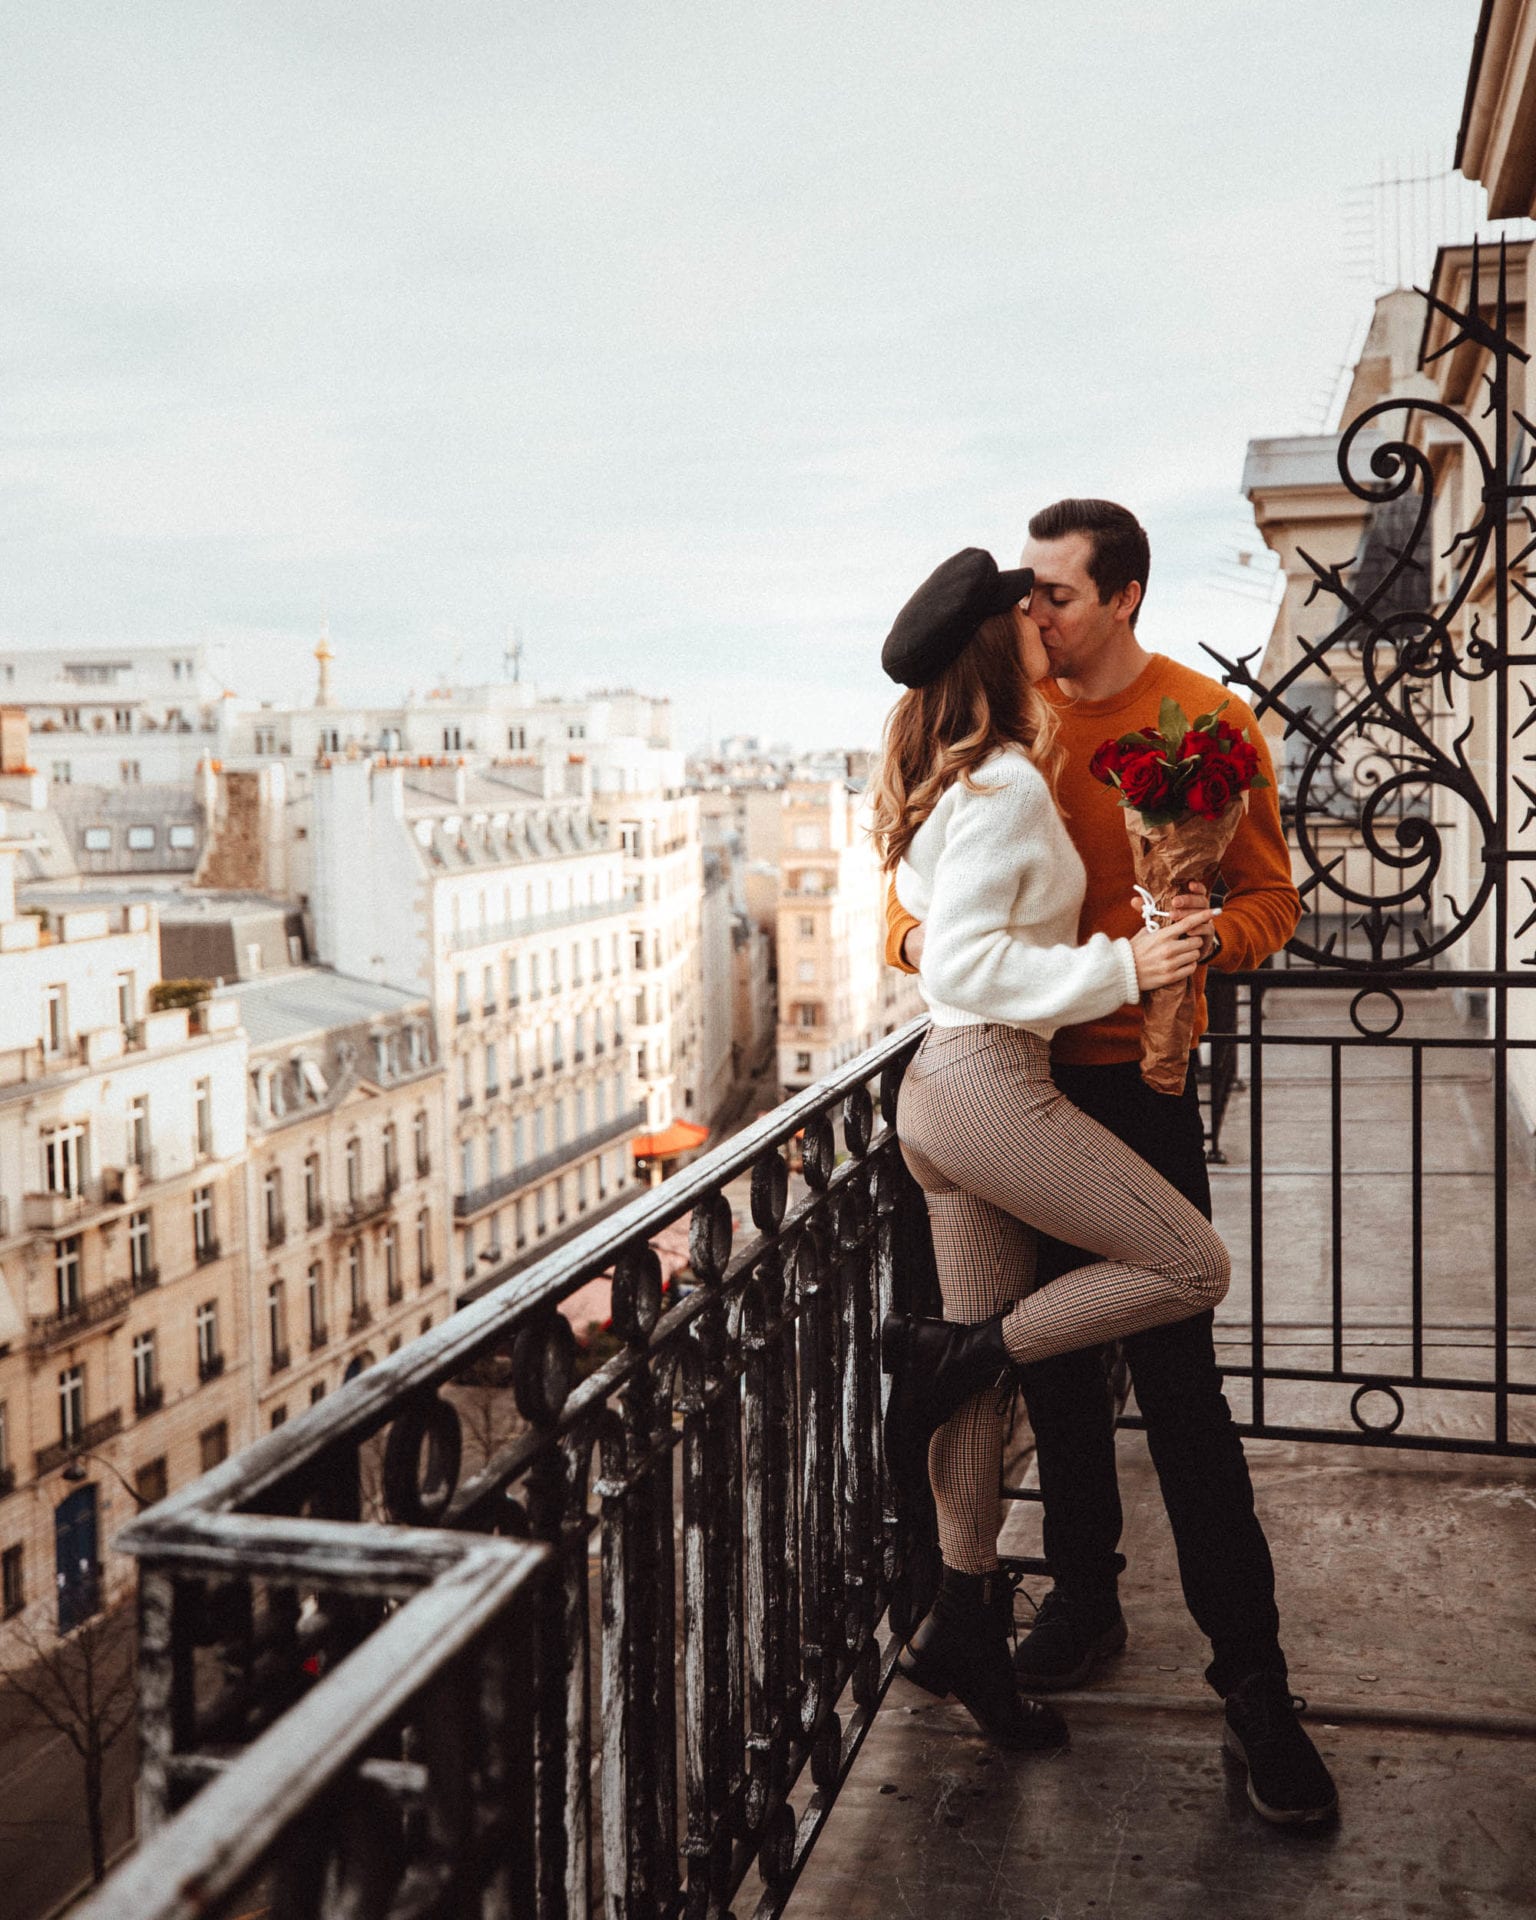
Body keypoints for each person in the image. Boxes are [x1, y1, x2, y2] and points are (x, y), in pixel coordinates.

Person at [885, 501, 1338, 1826]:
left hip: (1128, 1094)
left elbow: (1275, 901)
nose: (1034, 613)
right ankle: (1079, 1604)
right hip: (1008, 1092)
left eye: (1059, 595)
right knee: (1060, 1391)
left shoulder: (1201, 723)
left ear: (1125, 599)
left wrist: (1205, 935)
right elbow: (921, 920)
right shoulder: (1000, 740)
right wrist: (924, 954)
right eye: (1024, 594)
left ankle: (1256, 1689)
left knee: (1182, 1396)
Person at [872, 544, 1229, 1755]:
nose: (1041, 614)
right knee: (1191, 1268)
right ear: (999, 643)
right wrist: (1127, 966)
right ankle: (956, 1346)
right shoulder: (1008, 786)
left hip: (954, 1094)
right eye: (1021, 608)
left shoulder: (960, 777)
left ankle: (959, 1626)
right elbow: (965, 961)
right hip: (984, 1082)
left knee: (974, 1405)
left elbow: (956, 936)